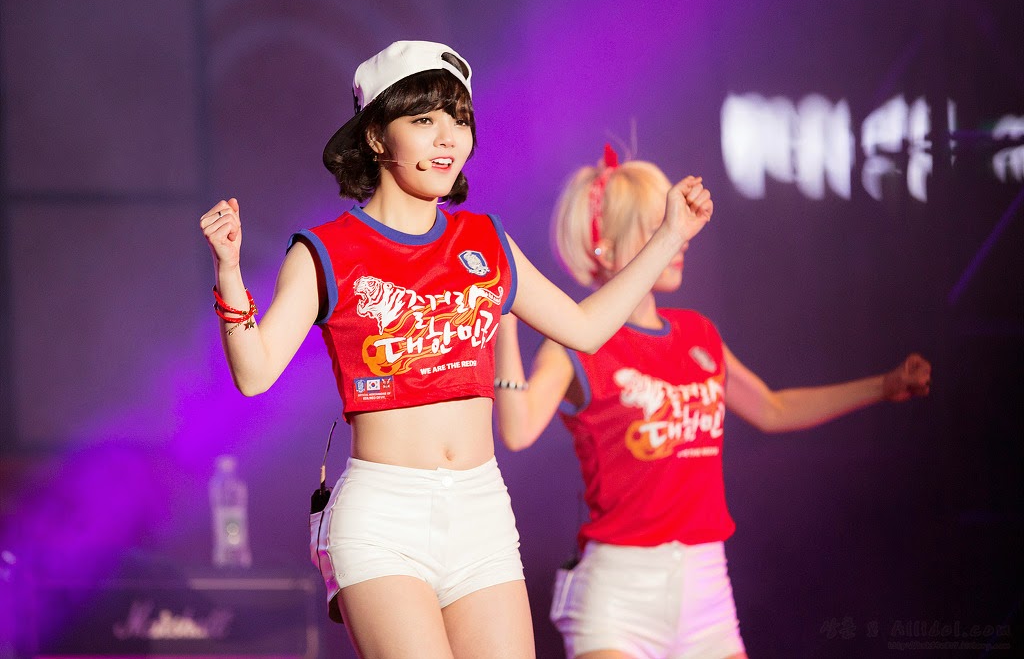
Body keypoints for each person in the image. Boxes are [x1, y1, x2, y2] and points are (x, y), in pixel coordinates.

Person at [199, 42, 713, 659]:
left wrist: (669, 236)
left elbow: (584, 328)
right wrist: (230, 273)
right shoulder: (326, 251)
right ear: (376, 137)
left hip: (480, 509)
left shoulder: (485, 240)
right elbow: (255, 373)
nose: (448, 138)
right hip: (382, 516)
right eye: (424, 120)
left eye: (459, 120)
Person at [494, 147, 932, 659]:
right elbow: (519, 429)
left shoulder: (697, 333)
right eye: (658, 227)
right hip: (618, 595)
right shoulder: (574, 344)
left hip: (707, 591)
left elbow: (771, 409)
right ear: (605, 250)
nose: (678, 239)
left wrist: (883, 386)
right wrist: (506, 321)